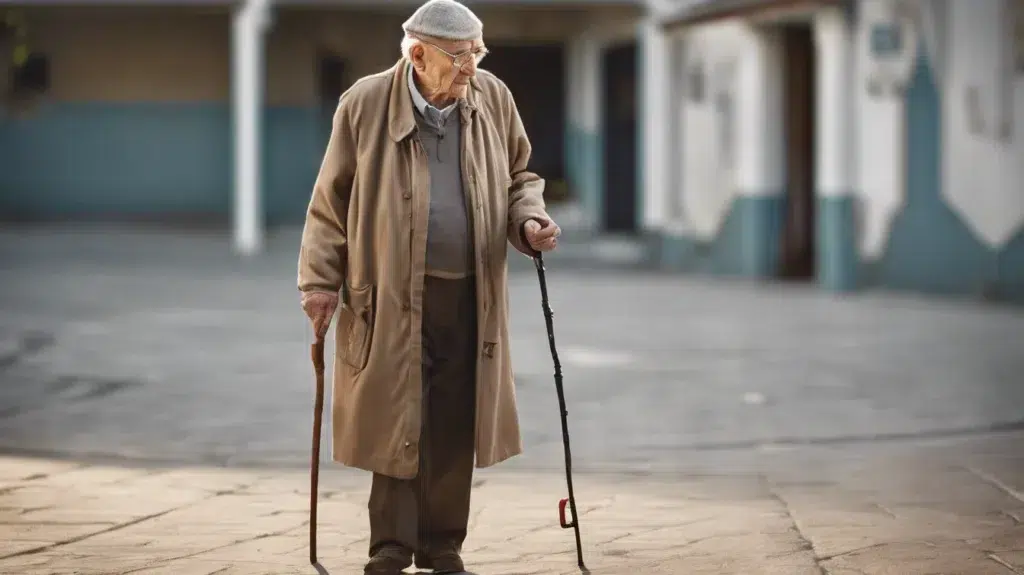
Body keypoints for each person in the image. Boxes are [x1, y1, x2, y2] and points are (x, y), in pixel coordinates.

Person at [296, 0, 561, 572]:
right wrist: (319, 282)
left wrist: (528, 220)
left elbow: (521, 176)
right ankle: (390, 544)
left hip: (470, 293)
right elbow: (329, 200)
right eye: (461, 57)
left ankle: (443, 543)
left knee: (454, 418)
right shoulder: (364, 104)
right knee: (397, 414)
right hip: (390, 293)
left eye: (477, 53)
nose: (471, 68)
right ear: (418, 55)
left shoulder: (492, 98)